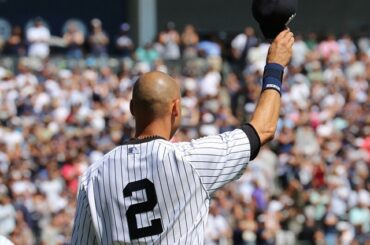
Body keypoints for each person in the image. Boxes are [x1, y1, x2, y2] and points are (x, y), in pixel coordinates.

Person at [71, 29, 294, 244]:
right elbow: (263, 129)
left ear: (131, 108)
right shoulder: (191, 160)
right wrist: (274, 67)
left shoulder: (94, 176)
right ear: (176, 108)